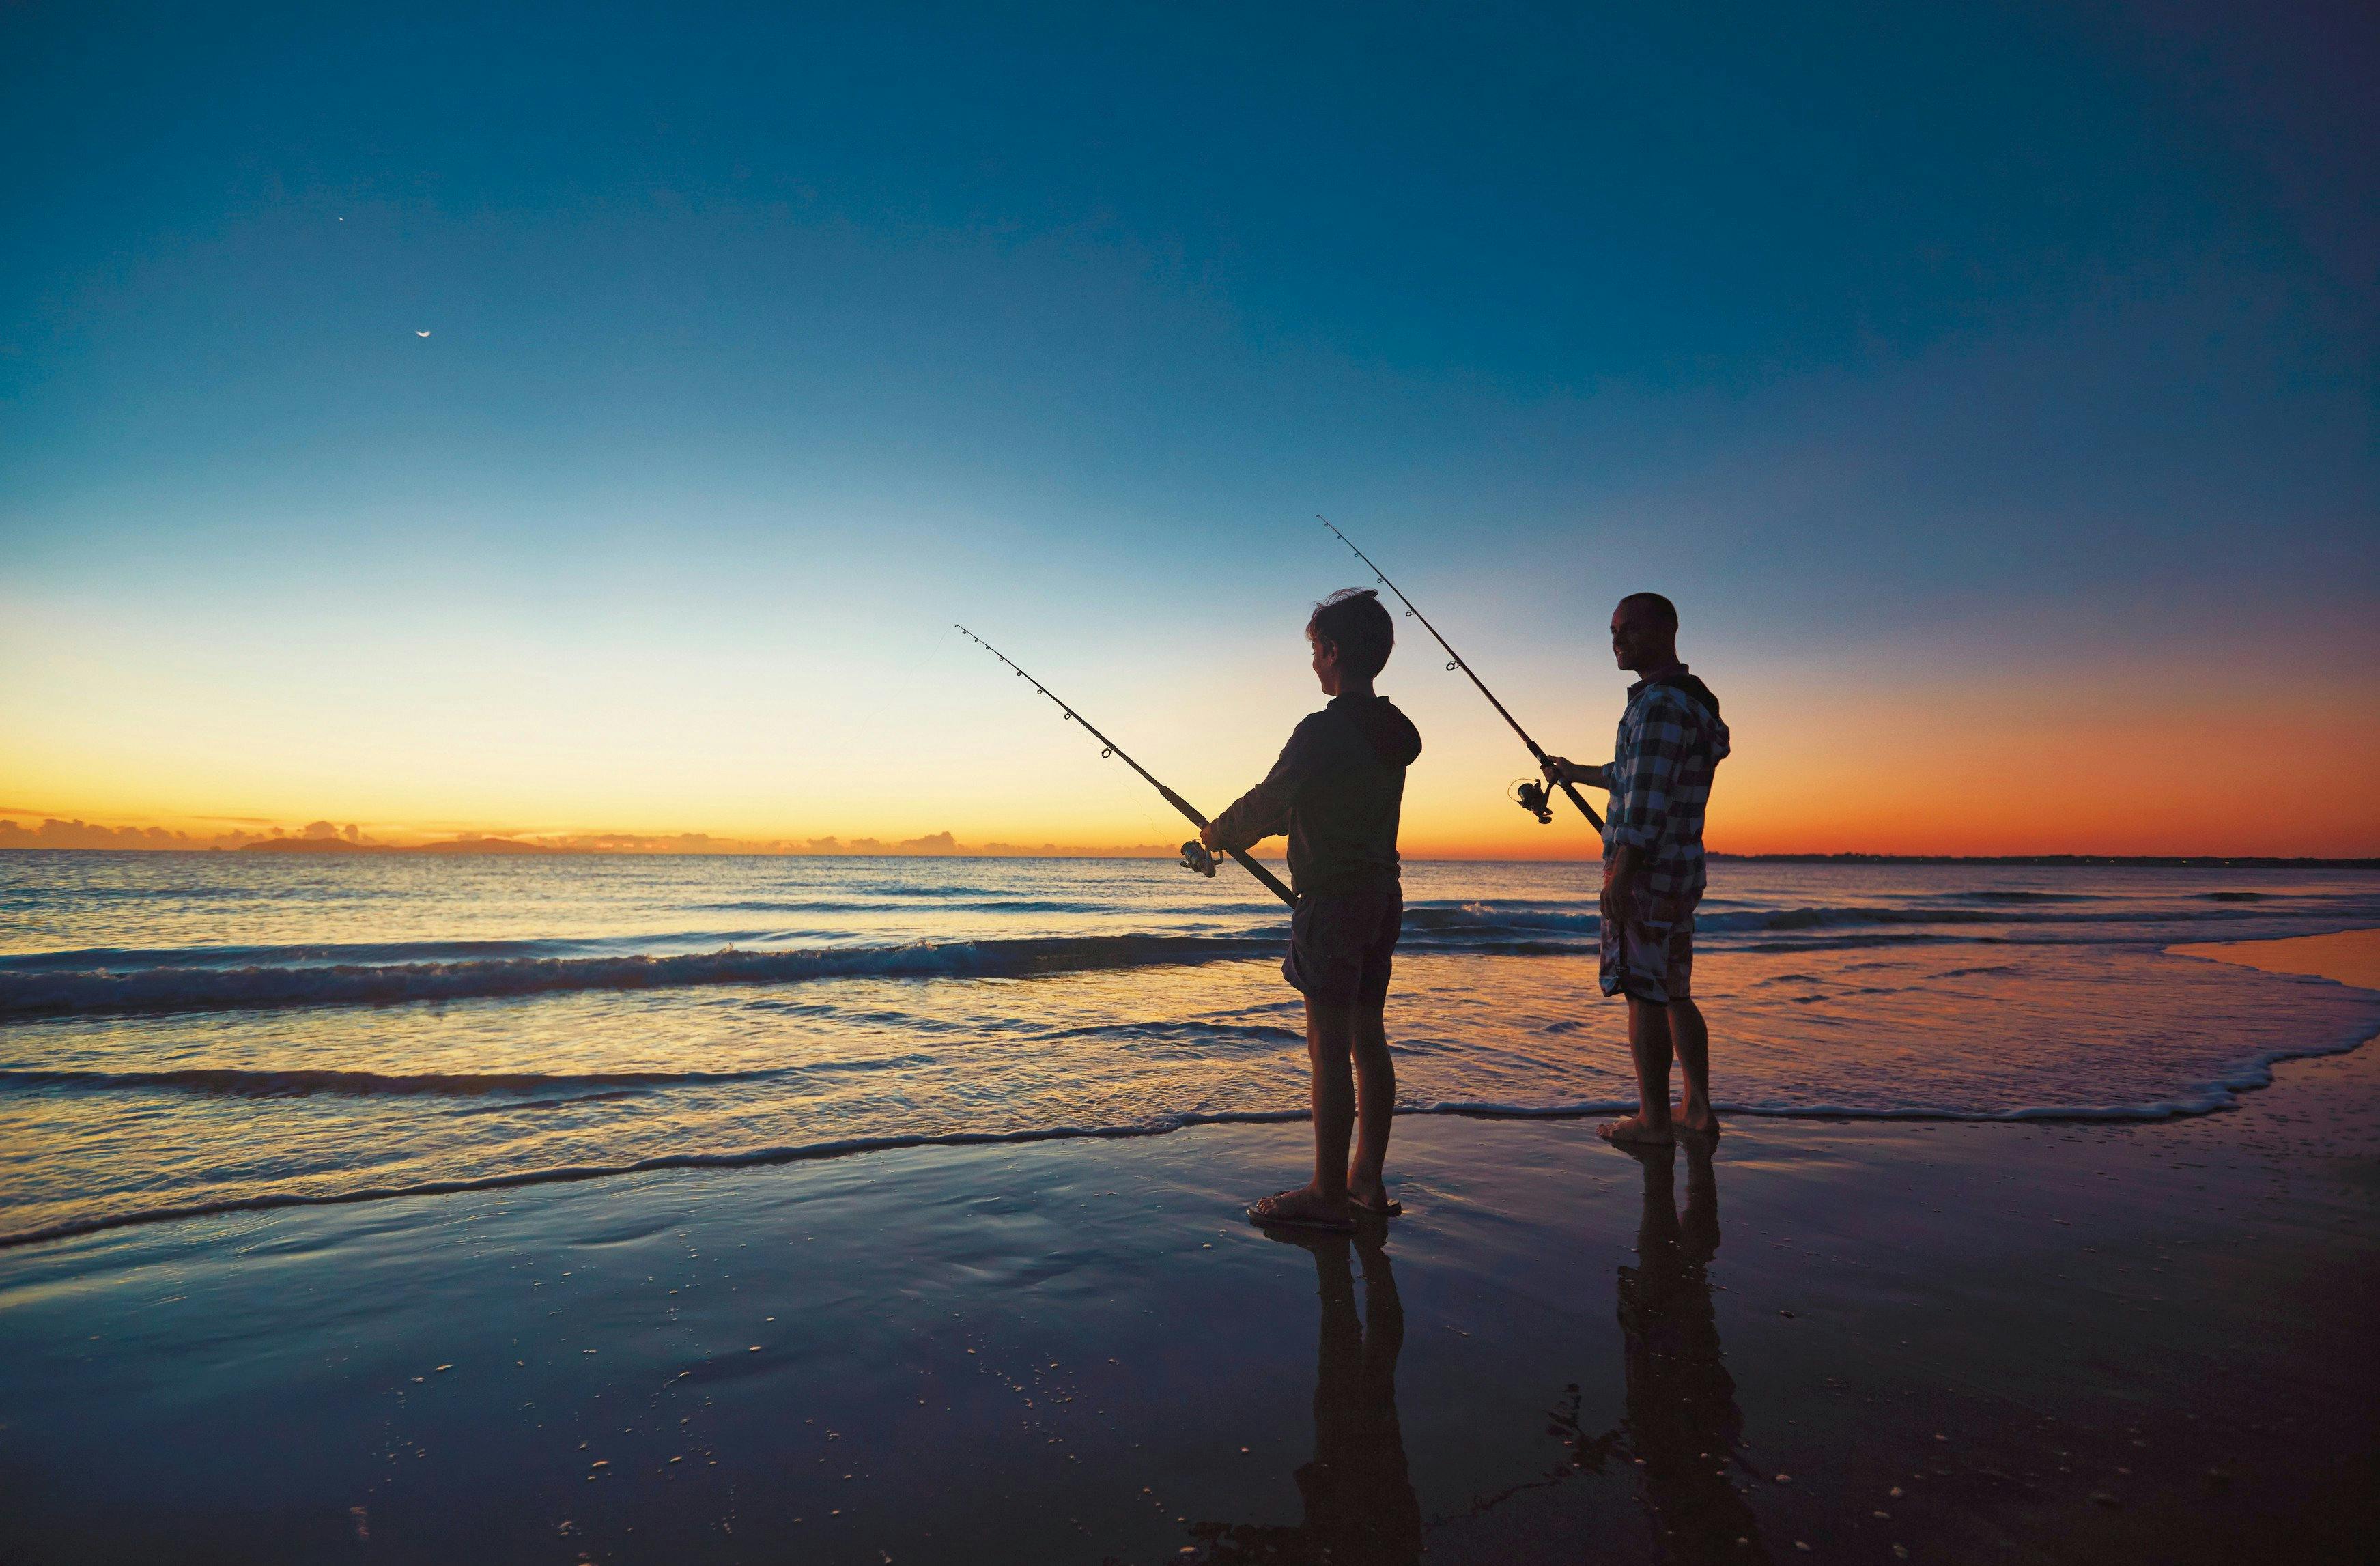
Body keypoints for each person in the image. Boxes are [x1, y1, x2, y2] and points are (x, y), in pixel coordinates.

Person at [1202, 588, 1422, 1230]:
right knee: (1368, 1040)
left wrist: (1216, 835)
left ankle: (1328, 1193)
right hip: (1382, 897)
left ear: (1330, 652)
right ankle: (1366, 1184)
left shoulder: (1322, 730)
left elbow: (1271, 801)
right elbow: (1312, 803)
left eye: (1316, 651)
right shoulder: (1390, 733)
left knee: (1329, 1048)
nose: (1314, 664)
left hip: (1331, 902)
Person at [1542, 592, 1731, 1146]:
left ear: (1665, 630)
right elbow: (1633, 772)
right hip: (1680, 870)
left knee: (1643, 993)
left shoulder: (1656, 706)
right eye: (1612, 631)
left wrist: (1620, 874)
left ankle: (1652, 1120)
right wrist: (1574, 771)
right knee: (1674, 990)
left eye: (1627, 629)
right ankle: (1696, 1108)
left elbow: (1644, 800)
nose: (1616, 641)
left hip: (1647, 875)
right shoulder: (1688, 703)